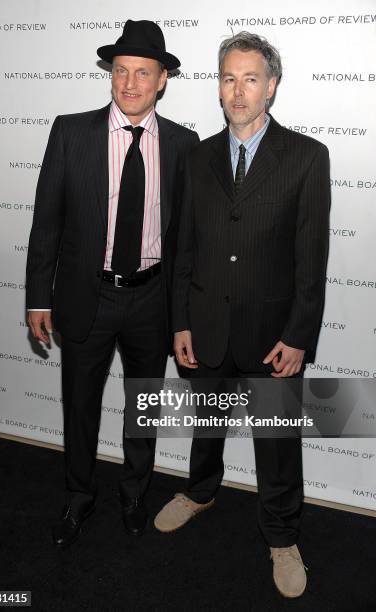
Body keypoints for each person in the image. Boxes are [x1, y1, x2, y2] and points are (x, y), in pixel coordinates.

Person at [154, 31, 330, 598]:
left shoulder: (305, 158)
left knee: (277, 445)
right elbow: (182, 249)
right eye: (228, 78)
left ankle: (281, 536)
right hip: (204, 327)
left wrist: (299, 336)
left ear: (271, 86)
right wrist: (180, 321)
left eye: (250, 78)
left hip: (273, 337)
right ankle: (200, 491)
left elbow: (311, 261)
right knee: (206, 428)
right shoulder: (196, 157)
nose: (238, 90)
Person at [26, 19, 199, 546]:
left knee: (143, 405)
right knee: (79, 405)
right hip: (87, 295)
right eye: (120, 71)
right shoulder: (70, 131)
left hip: (153, 297)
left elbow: (189, 239)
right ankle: (78, 498)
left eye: (142, 73)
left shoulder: (185, 145)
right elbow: (46, 221)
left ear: (162, 79)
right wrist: (38, 297)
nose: (129, 83)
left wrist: (186, 314)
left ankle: (133, 494)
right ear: (110, 74)